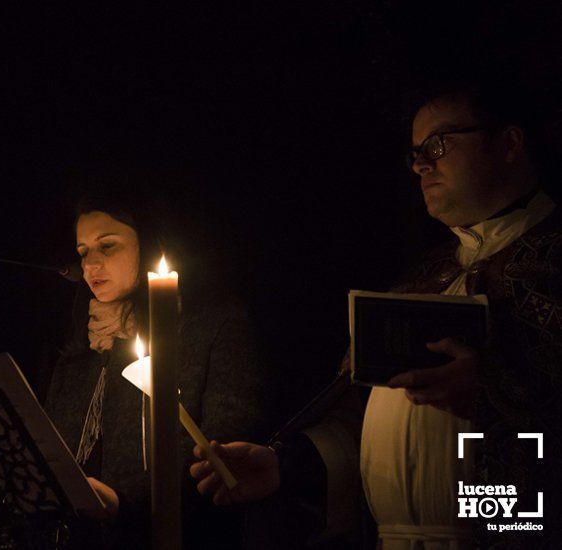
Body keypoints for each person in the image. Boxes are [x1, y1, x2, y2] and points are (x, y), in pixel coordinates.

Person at [191, 78, 562, 548]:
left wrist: (494, 398)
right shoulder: (425, 278)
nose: (422, 164)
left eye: (440, 143)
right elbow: (375, 420)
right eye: (416, 153)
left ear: (509, 143)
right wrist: (286, 465)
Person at [44, 195, 267, 549]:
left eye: (108, 246)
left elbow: (222, 446)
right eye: (84, 251)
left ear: (145, 244)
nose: (91, 265)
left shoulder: (212, 323)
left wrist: (124, 501)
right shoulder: (85, 339)